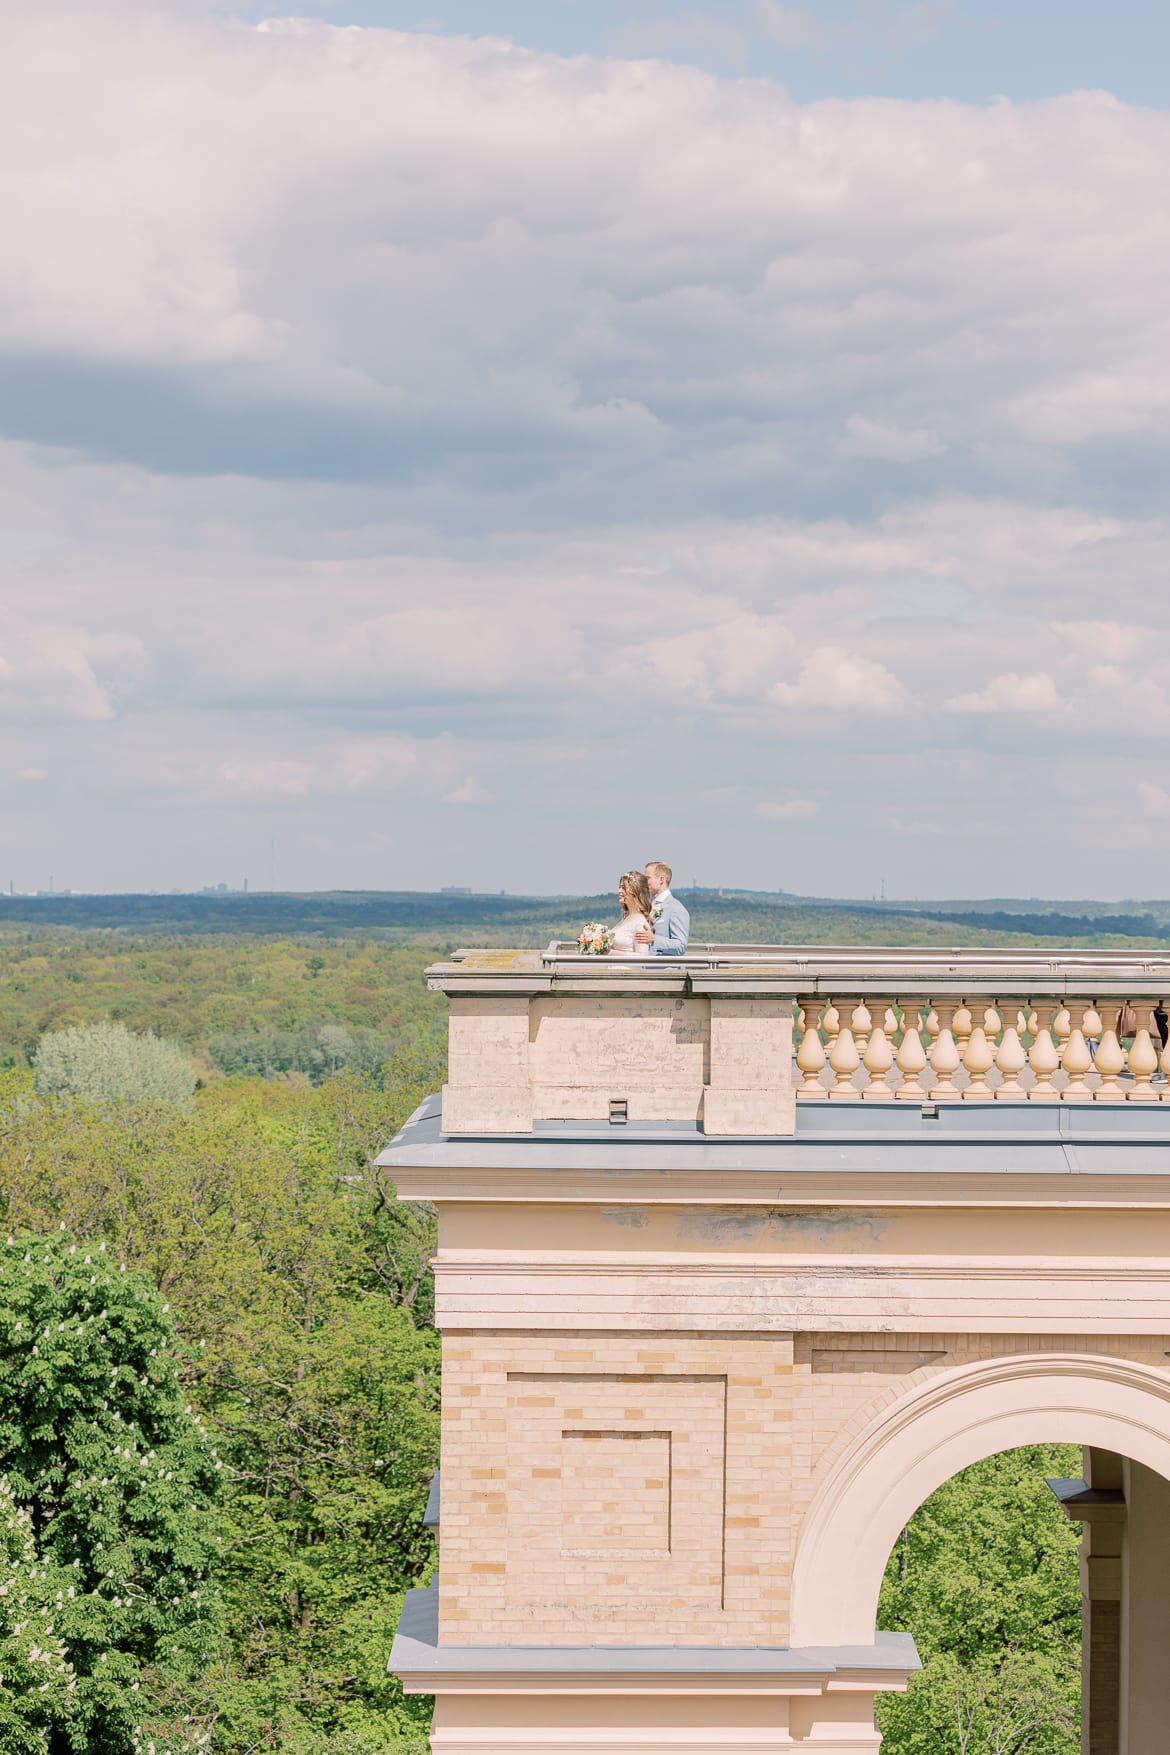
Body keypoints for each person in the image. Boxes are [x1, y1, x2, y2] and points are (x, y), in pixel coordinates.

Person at [635, 861, 690, 956]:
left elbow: (681, 946)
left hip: (664, 969)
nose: (644, 882)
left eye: (648, 878)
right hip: (645, 967)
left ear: (661, 879)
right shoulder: (648, 906)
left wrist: (654, 939)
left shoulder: (676, 908)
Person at [610, 869, 654, 957]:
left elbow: (642, 956)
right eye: (619, 887)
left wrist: (611, 953)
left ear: (634, 891)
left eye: (623, 887)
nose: (619, 891)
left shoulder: (640, 922)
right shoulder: (626, 917)